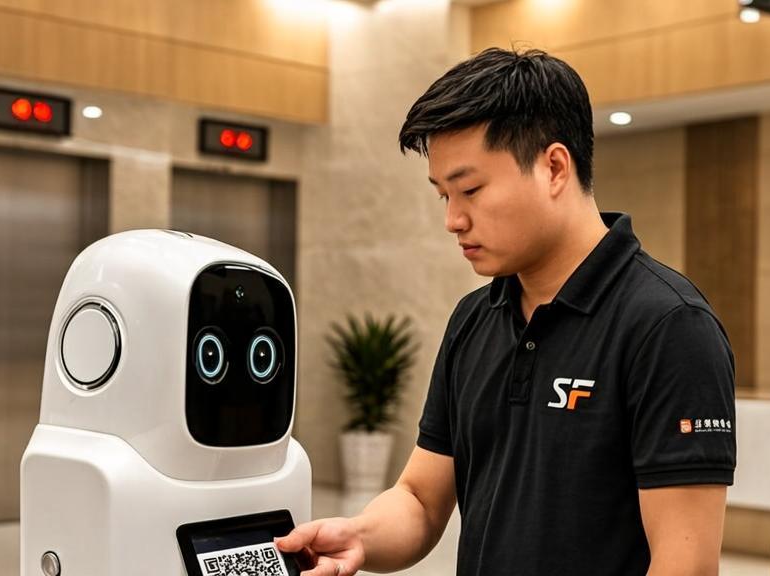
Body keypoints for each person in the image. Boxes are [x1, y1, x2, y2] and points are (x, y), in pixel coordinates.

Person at [276, 48, 737, 576]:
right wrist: (357, 535)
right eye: (443, 195)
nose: (452, 219)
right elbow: (422, 501)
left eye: (470, 189)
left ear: (554, 167)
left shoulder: (668, 326)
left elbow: (685, 565)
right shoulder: (474, 319)